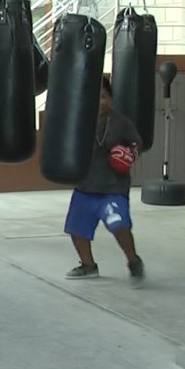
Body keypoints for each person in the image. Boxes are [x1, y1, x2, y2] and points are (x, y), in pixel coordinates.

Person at [63, 75, 145, 285]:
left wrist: (127, 154)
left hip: (112, 188)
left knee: (118, 224)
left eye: (103, 97)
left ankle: (133, 260)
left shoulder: (120, 123)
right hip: (85, 187)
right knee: (76, 229)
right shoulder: (79, 120)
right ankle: (88, 265)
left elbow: (138, 143)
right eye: (94, 97)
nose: (99, 102)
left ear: (111, 98)